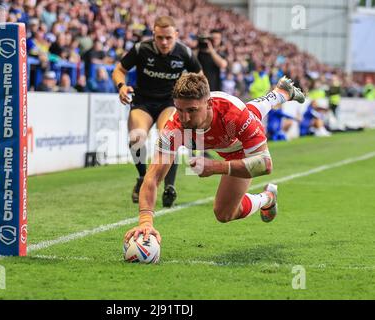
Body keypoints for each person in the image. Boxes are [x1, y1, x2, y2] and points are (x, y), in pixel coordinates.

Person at [124, 73, 305, 244]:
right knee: (225, 214)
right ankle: (268, 197)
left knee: (224, 213)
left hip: (238, 148)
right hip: (226, 137)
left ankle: (278, 95)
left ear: (208, 103)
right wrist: (145, 220)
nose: (185, 118)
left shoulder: (234, 114)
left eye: (192, 110)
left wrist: (215, 167)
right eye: (180, 109)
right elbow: (153, 177)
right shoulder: (174, 126)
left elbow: (265, 164)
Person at [112, 16, 202, 207]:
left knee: (169, 137)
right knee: (137, 138)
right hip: (143, 102)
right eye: (159, 37)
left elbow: (200, 78)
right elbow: (119, 69)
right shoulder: (141, 49)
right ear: (153, 34)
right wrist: (121, 86)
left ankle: (169, 186)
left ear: (176, 35)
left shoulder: (184, 52)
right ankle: (144, 178)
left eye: (168, 37)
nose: (164, 42)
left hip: (169, 102)